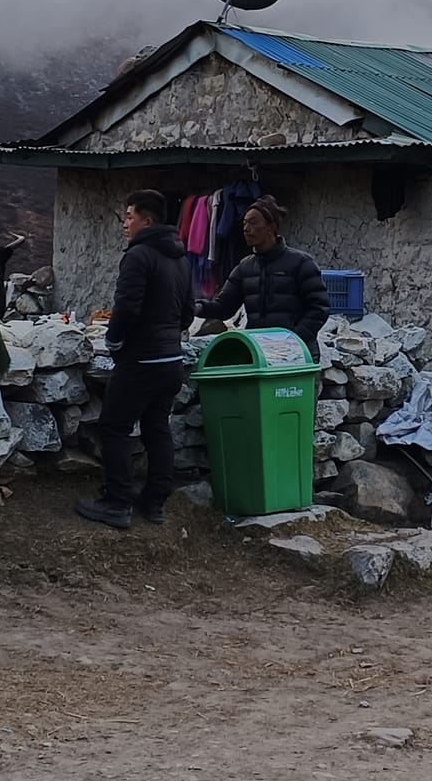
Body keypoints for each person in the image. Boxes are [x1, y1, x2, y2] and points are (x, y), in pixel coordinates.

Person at [78, 189, 195, 532]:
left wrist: (114, 341)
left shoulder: (139, 256)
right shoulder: (181, 259)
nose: (124, 224)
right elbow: (188, 312)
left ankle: (116, 502)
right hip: (171, 361)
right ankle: (155, 501)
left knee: (114, 427)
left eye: (129, 217)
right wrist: (168, 336)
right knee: (157, 427)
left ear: (148, 220)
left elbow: (127, 307)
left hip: (141, 360)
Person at [196, 195, 330, 356]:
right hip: (260, 353)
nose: (246, 228)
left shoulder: (301, 263)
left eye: (253, 223)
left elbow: (319, 308)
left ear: (271, 227)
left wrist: (294, 339)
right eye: (244, 223)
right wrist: (197, 307)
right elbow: (224, 307)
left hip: (298, 354)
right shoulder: (244, 267)